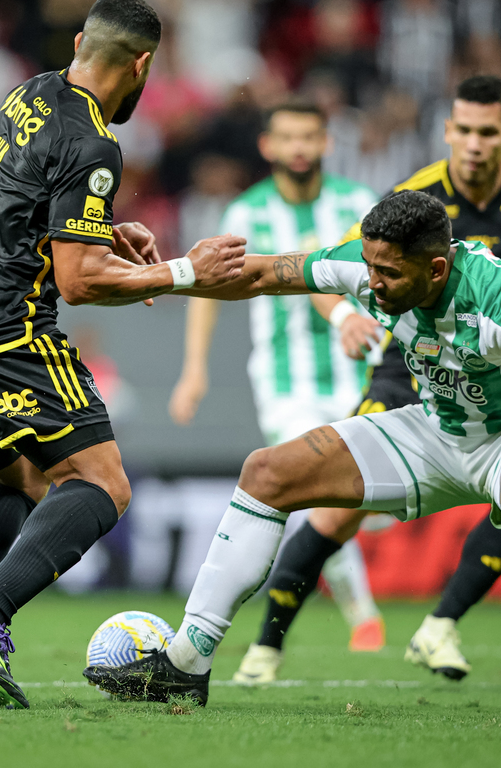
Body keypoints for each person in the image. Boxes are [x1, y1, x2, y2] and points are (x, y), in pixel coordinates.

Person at [84, 190, 501, 718]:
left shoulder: (500, 299)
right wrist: (167, 277)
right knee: (267, 471)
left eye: (389, 273)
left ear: (437, 266)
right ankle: (187, 661)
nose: (373, 283)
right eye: (371, 268)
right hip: (435, 431)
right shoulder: (367, 261)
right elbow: (263, 273)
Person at [0, 0, 247, 710]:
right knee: (103, 483)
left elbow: (12, 196)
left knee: (26, 481)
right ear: (144, 64)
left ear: (84, 40)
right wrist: (186, 272)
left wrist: (100, 227)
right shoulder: (96, 141)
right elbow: (79, 284)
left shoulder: (29, 94)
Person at [236, 75, 501, 684]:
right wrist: (341, 315)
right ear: (447, 131)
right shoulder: (413, 196)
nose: (473, 143)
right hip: (408, 367)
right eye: (463, 130)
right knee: (336, 507)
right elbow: (329, 266)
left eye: (487, 131)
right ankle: (265, 648)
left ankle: (441, 623)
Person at [169, 99, 385, 661]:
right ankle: (363, 615)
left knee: (353, 495)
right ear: (267, 146)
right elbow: (208, 291)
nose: (298, 147)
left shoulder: (357, 204)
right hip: (285, 379)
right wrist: (194, 369)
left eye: (309, 136)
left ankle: (352, 596)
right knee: (316, 489)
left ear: (326, 143)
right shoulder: (244, 215)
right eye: (287, 136)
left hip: (361, 368)